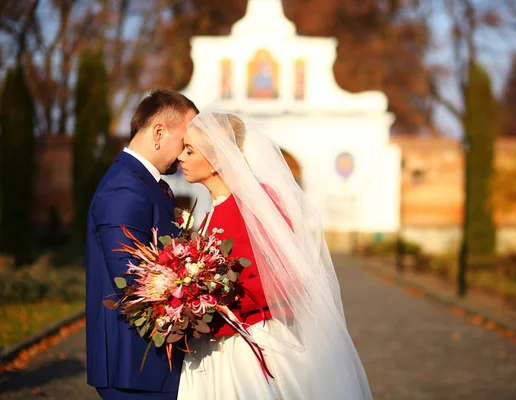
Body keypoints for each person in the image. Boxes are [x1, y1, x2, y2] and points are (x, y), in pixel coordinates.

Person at [176, 112, 373, 399]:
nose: (180, 157)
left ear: (217, 158)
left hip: (251, 344)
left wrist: (215, 298)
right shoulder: (208, 214)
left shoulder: (256, 201)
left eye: (190, 150)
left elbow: (292, 274)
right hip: (211, 348)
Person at [86, 89, 198, 400]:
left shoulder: (146, 183)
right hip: (133, 365)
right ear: (159, 132)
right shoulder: (125, 186)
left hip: (149, 362)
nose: (186, 151)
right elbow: (135, 281)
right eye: (185, 141)